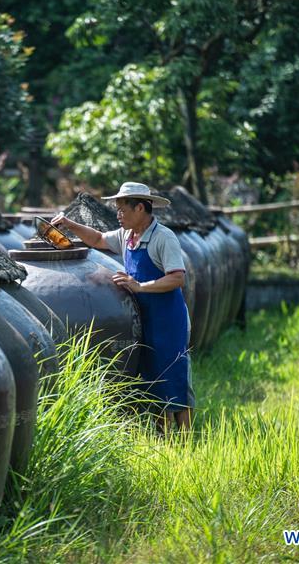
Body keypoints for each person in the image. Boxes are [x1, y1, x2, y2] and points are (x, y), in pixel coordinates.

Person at [52, 182, 193, 434]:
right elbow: (96, 239)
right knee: (151, 378)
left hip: (167, 320)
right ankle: (163, 437)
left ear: (140, 208)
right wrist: (69, 225)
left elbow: (177, 278)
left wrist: (139, 286)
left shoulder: (163, 237)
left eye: (121, 210)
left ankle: (187, 438)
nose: (118, 215)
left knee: (174, 378)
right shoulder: (127, 236)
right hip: (143, 319)